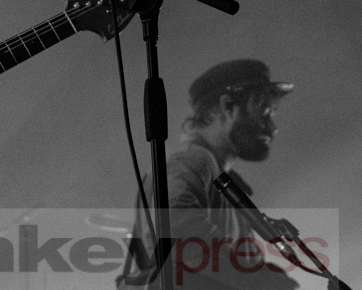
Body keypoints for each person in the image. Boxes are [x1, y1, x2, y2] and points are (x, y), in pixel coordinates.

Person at [123, 59, 300, 290]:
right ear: (228, 106)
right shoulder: (192, 160)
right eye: (264, 112)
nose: (272, 127)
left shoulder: (216, 175)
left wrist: (264, 274)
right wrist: (257, 280)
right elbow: (173, 227)